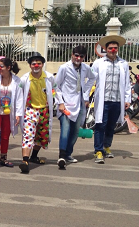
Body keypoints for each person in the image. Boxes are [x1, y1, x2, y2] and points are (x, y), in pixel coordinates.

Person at [91, 35, 131, 163]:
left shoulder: (123, 64)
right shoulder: (98, 63)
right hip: (103, 100)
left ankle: (106, 147)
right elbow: (91, 80)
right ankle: (98, 150)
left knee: (110, 126)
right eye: (110, 48)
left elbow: (126, 83)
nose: (112, 50)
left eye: (115, 48)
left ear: (118, 49)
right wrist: (87, 96)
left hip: (117, 100)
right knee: (100, 125)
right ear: (105, 49)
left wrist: (127, 99)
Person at [54, 45, 95, 168]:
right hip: (65, 104)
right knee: (65, 130)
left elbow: (93, 78)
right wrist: (60, 102)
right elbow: (56, 86)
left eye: (81, 56)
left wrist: (86, 95)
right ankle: (61, 156)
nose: (78, 58)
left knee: (75, 131)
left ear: (84, 58)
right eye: (76, 55)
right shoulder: (64, 68)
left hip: (80, 103)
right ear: (72, 54)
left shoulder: (86, 68)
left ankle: (68, 154)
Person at [18, 52, 59, 173]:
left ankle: (34, 156)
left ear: (42, 65)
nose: (36, 66)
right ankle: (25, 161)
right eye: (33, 63)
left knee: (42, 136)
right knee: (28, 135)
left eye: (39, 63)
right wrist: (18, 113)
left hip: (45, 110)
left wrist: (59, 102)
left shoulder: (49, 77)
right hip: (30, 110)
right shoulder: (24, 79)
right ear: (30, 65)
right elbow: (19, 96)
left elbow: (56, 91)